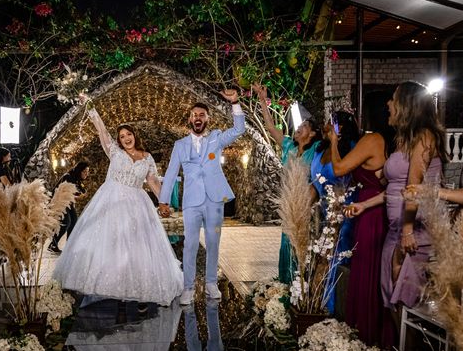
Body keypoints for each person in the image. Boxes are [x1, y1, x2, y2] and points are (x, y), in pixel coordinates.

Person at [52, 98, 183, 305]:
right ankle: (106, 286)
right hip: (111, 200)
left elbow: (154, 183)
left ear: (134, 135)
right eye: (122, 136)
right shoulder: (114, 151)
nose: (126, 138)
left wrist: (164, 203)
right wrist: (91, 108)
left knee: (136, 245)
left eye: (128, 134)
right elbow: (102, 131)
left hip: (137, 202)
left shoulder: (147, 157)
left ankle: (137, 287)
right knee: (109, 242)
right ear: (119, 140)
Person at [348, 81, 447, 337]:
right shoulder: (405, 140)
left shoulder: (424, 138)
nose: (388, 105)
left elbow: (413, 189)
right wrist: (363, 204)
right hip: (397, 231)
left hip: (414, 232)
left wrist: (406, 231)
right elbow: (394, 190)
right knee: (390, 295)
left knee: (404, 298)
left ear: (406, 105)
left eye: (393, 99)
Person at [158, 89, 246, 305]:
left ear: (208, 119)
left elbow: (239, 128)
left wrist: (235, 102)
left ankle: (211, 283)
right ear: (190, 118)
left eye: (202, 115)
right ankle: (188, 287)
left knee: (213, 242)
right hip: (191, 202)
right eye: (194, 115)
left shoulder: (216, 138)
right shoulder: (180, 145)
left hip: (214, 200)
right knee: (190, 244)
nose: (198, 118)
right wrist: (163, 200)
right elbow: (170, 173)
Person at [329, 96, 395, 347]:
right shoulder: (392, 141)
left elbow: (338, 169)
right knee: (380, 271)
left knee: (367, 268)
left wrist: (334, 142)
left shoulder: (371, 140)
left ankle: (367, 333)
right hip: (383, 208)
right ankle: (383, 334)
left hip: (369, 212)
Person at [252, 84, 322, 285]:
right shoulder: (289, 147)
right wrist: (263, 101)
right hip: (291, 206)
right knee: (287, 246)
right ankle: (287, 287)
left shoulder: (316, 150)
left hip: (308, 207)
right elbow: (271, 127)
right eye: (300, 126)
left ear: (313, 134)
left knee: (302, 249)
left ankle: (303, 289)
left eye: (305, 127)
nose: (299, 128)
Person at [310, 111, 360, 315]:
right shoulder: (319, 150)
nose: (326, 125)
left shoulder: (352, 149)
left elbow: (349, 176)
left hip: (343, 215)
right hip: (322, 214)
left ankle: (334, 310)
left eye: (332, 123)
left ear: (342, 128)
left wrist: (334, 143)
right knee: (320, 260)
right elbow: (313, 183)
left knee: (336, 260)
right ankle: (316, 304)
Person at [47, 161, 89, 254]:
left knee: (74, 220)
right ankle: (53, 244)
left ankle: (70, 246)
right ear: (79, 171)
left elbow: (80, 191)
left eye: (87, 172)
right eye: (85, 171)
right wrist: (79, 197)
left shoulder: (76, 179)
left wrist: (81, 194)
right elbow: (63, 193)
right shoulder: (68, 177)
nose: (87, 174)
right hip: (59, 202)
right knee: (66, 222)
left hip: (67, 203)